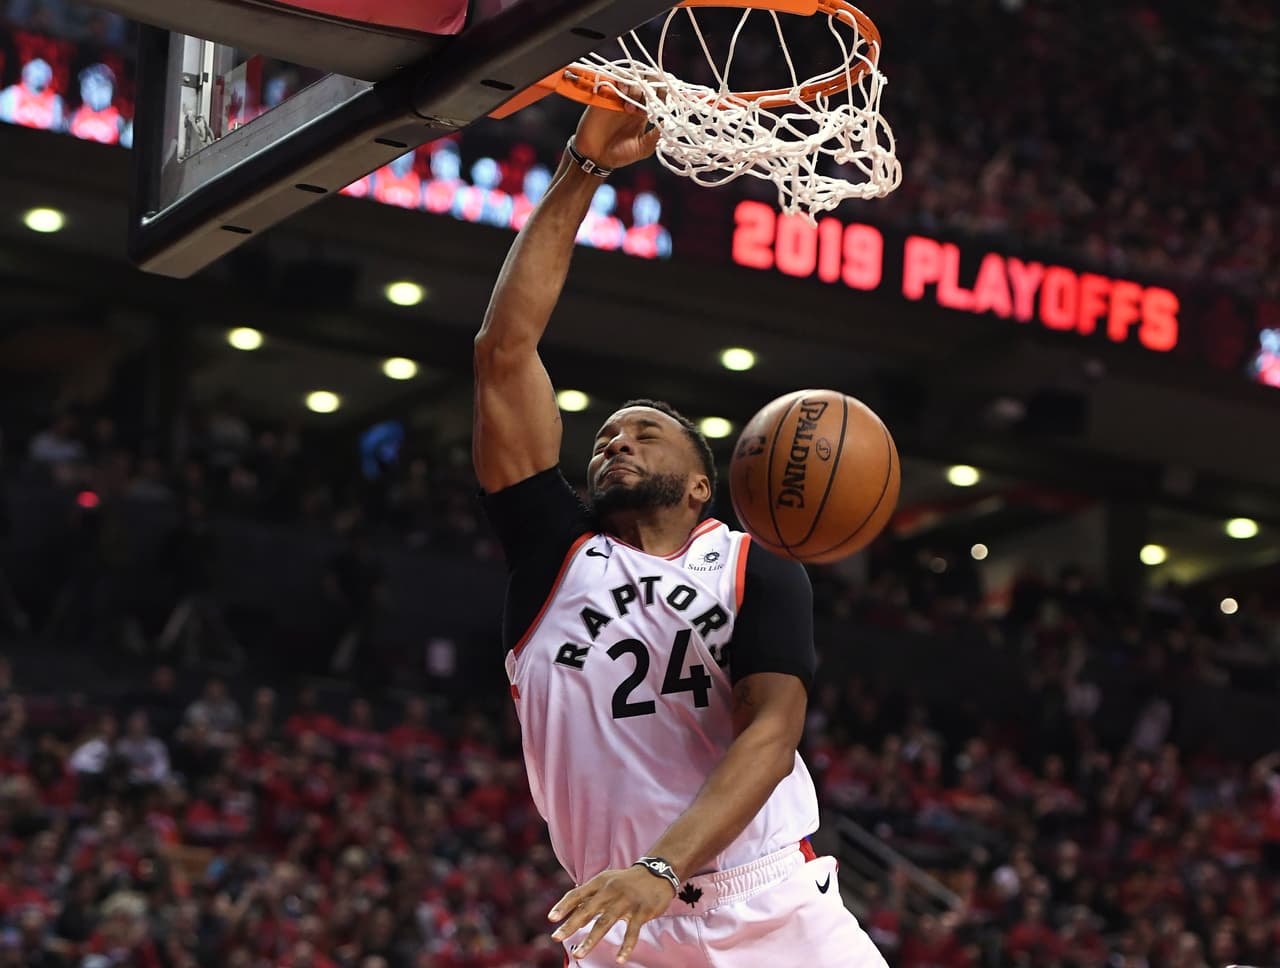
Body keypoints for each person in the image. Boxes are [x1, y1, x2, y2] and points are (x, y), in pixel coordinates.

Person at [472, 102, 888, 966]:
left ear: (705, 482)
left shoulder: (756, 562)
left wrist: (663, 865)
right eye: (604, 439)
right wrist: (581, 170)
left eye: (643, 432)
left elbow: (771, 734)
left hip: (769, 905)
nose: (615, 441)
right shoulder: (555, 553)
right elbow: (505, 351)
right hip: (621, 920)